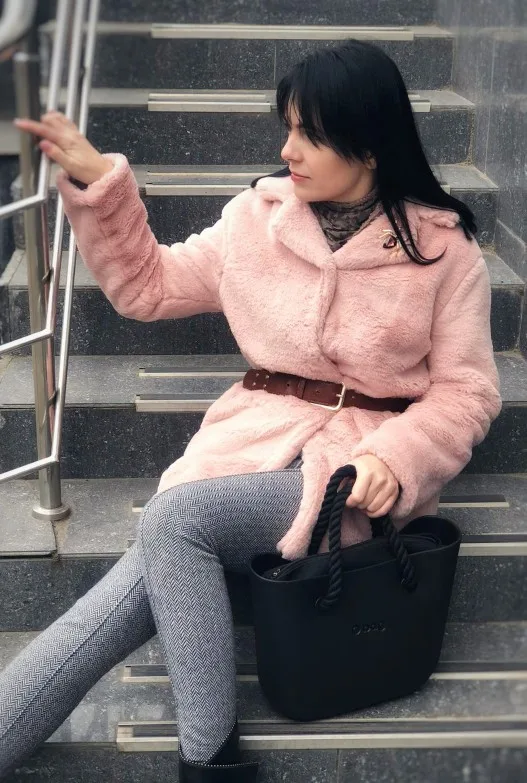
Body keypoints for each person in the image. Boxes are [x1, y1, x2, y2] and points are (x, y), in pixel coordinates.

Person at [1, 39, 502, 781]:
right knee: (140, 574)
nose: (286, 149)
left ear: (368, 144)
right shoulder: (255, 219)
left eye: (308, 133)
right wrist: (99, 182)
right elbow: (149, 286)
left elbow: (468, 391)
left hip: (352, 475)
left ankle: (209, 758)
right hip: (251, 445)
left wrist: (394, 459)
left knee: (175, 521)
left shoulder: (442, 251)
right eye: (287, 127)